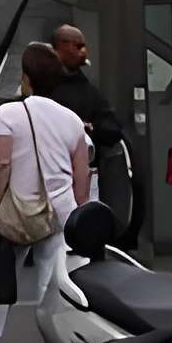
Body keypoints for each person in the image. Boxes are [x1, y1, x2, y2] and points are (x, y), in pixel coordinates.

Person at [0, 40, 95, 343]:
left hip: (17, 213)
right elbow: (81, 175)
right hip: (60, 215)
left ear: (26, 78)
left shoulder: (7, 113)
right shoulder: (71, 119)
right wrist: (79, 213)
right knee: (52, 286)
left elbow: (1, 164)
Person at [43, 24, 132, 215]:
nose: (84, 52)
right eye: (78, 46)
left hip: (84, 174)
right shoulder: (43, 86)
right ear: (60, 46)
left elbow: (112, 127)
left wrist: (92, 131)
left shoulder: (88, 90)